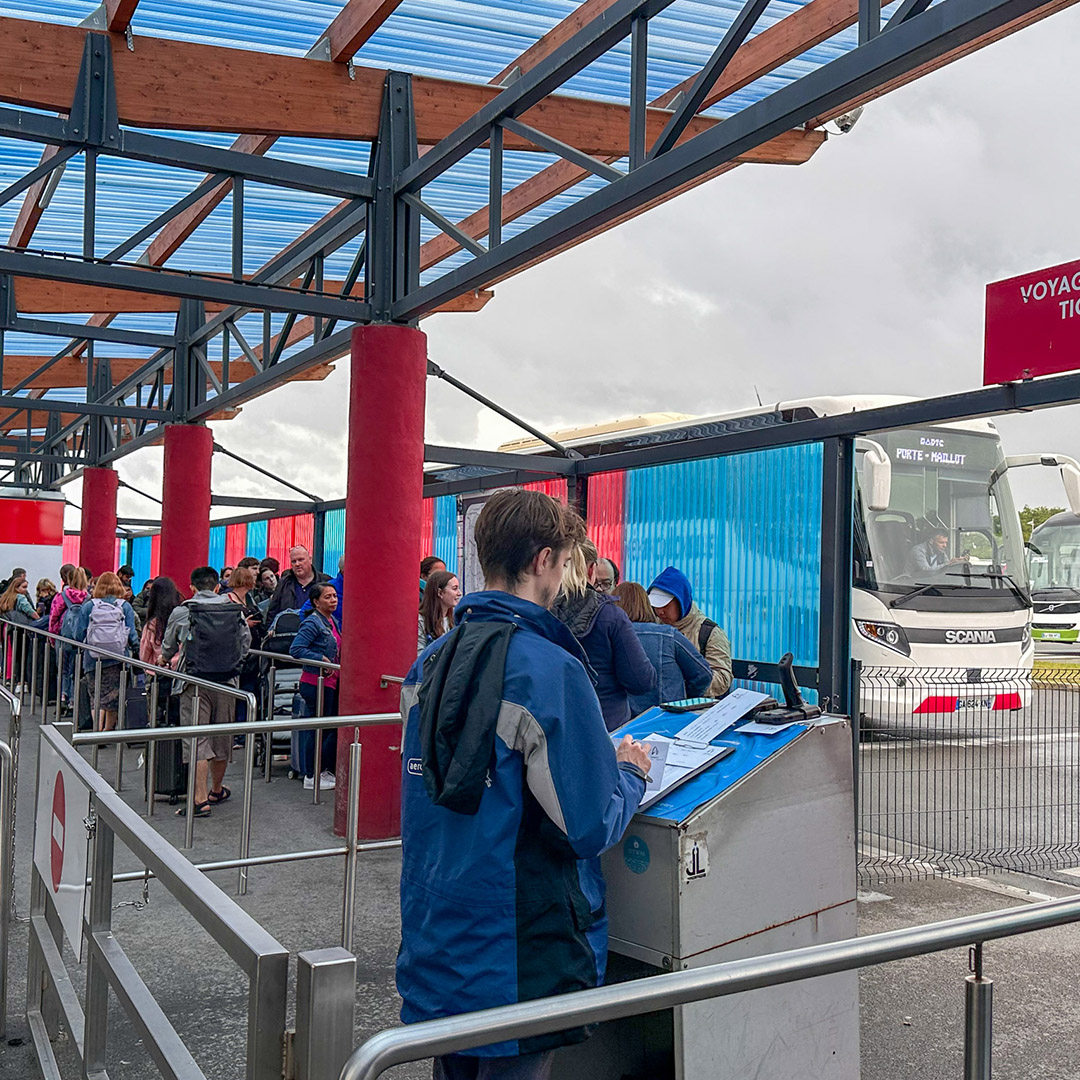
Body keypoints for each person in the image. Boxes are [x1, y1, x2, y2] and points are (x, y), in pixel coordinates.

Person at [398, 488, 652, 1080]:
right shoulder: (549, 669)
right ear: (543, 561)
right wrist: (629, 771)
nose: (565, 576)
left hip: (437, 928)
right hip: (517, 946)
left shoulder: (429, 663)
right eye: (565, 561)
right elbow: (588, 823)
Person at [161, 566, 251, 818]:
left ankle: (199, 801)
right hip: (227, 681)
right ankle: (217, 788)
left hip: (193, 681)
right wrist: (235, 664)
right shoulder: (234, 609)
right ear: (217, 586)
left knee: (197, 738)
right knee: (222, 735)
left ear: (191, 587)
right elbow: (246, 642)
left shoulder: (183, 611)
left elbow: (169, 645)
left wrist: (164, 658)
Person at [551, 541, 656, 731]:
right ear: (592, 570)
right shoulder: (610, 616)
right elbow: (641, 681)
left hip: (556, 727)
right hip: (607, 727)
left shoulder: (541, 612)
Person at [614, 581, 713, 714]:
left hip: (622, 725)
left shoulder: (607, 636)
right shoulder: (668, 635)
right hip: (667, 721)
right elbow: (703, 675)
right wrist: (683, 699)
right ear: (647, 605)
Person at [647, 566, 733, 697]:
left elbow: (723, 678)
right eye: (655, 606)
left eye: (665, 605)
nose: (660, 611)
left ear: (681, 601)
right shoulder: (651, 628)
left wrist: (684, 686)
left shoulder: (710, 633)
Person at [289, 582, 341, 791]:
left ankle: (322, 770)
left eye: (335, 596)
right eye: (328, 597)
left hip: (331, 682)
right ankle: (311, 774)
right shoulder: (312, 623)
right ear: (316, 602)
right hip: (315, 682)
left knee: (327, 728)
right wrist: (321, 659)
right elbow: (296, 648)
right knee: (316, 728)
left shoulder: (332, 621)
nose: (333, 600)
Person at [73, 571, 139, 734]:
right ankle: (108, 731)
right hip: (118, 657)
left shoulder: (89, 605)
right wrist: (136, 650)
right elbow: (131, 633)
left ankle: (97, 728)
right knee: (114, 696)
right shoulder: (124, 606)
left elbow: (78, 633)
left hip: (92, 657)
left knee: (95, 695)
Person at [226, 565, 264, 727]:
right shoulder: (229, 599)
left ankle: (243, 729)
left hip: (252, 652)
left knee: (247, 689)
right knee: (239, 692)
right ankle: (239, 730)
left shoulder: (249, 599)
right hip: (237, 652)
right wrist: (245, 624)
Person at [51, 566, 89, 711]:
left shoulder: (61, 596)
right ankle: (73, 700)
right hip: (79, 640)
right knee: (76, 670)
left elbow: (53, 617)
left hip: (63, 636)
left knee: (62, 669)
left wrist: (53, 637)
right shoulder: (88, 598)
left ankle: (62, 696)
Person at [265, 546, 328, 624]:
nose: (297, 564)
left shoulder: (325, 582)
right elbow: (272, 613)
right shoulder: (283, 584)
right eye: (294, 561)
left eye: (301, 560)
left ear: (310, 559)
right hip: (290, 632)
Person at [139, 576, 183, 666]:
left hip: (156, 670)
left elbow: (144, 656)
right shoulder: (182, 619)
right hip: (179, 672)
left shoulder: (152, 624)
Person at [417, 569, 462, 654]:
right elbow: (420, 657)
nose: (459, 593)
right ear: (440, 593)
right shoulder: (421, 621)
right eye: (454, 589)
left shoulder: (455, 621)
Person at [905, 530, 969, 577]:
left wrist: (956, 563)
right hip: (911, 584)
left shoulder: (941, 552)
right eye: (941, 542)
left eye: (946, 543)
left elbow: (946, 569)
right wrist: (948, 563)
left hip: (931, 582)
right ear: (931, 541)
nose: (945, 545)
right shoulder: (918, 550)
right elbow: (926, 571)